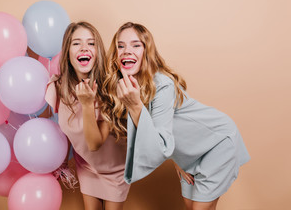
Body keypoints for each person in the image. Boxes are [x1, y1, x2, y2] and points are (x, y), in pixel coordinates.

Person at [102, 22, 250, 210]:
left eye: (136, 45)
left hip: (217, 142)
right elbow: (156, 133)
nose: (126, 50)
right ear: (115, 56)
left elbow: (157, 137)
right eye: (120, 46)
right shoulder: (123, 88)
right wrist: (174, 155)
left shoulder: (162, 84)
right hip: (190, 153)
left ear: (147, 51)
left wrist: (136, 106)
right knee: (192, 206)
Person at [45, 22, 129, 210]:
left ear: (98, 51)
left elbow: (95, 143)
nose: (84, 48)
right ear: (67, 51)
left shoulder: (111, 88)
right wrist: (62, 160)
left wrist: (87, 104)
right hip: (86, 165)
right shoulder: (58, 88)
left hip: (115, 168)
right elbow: (59, 126)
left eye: (91, 43)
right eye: (76, 43)